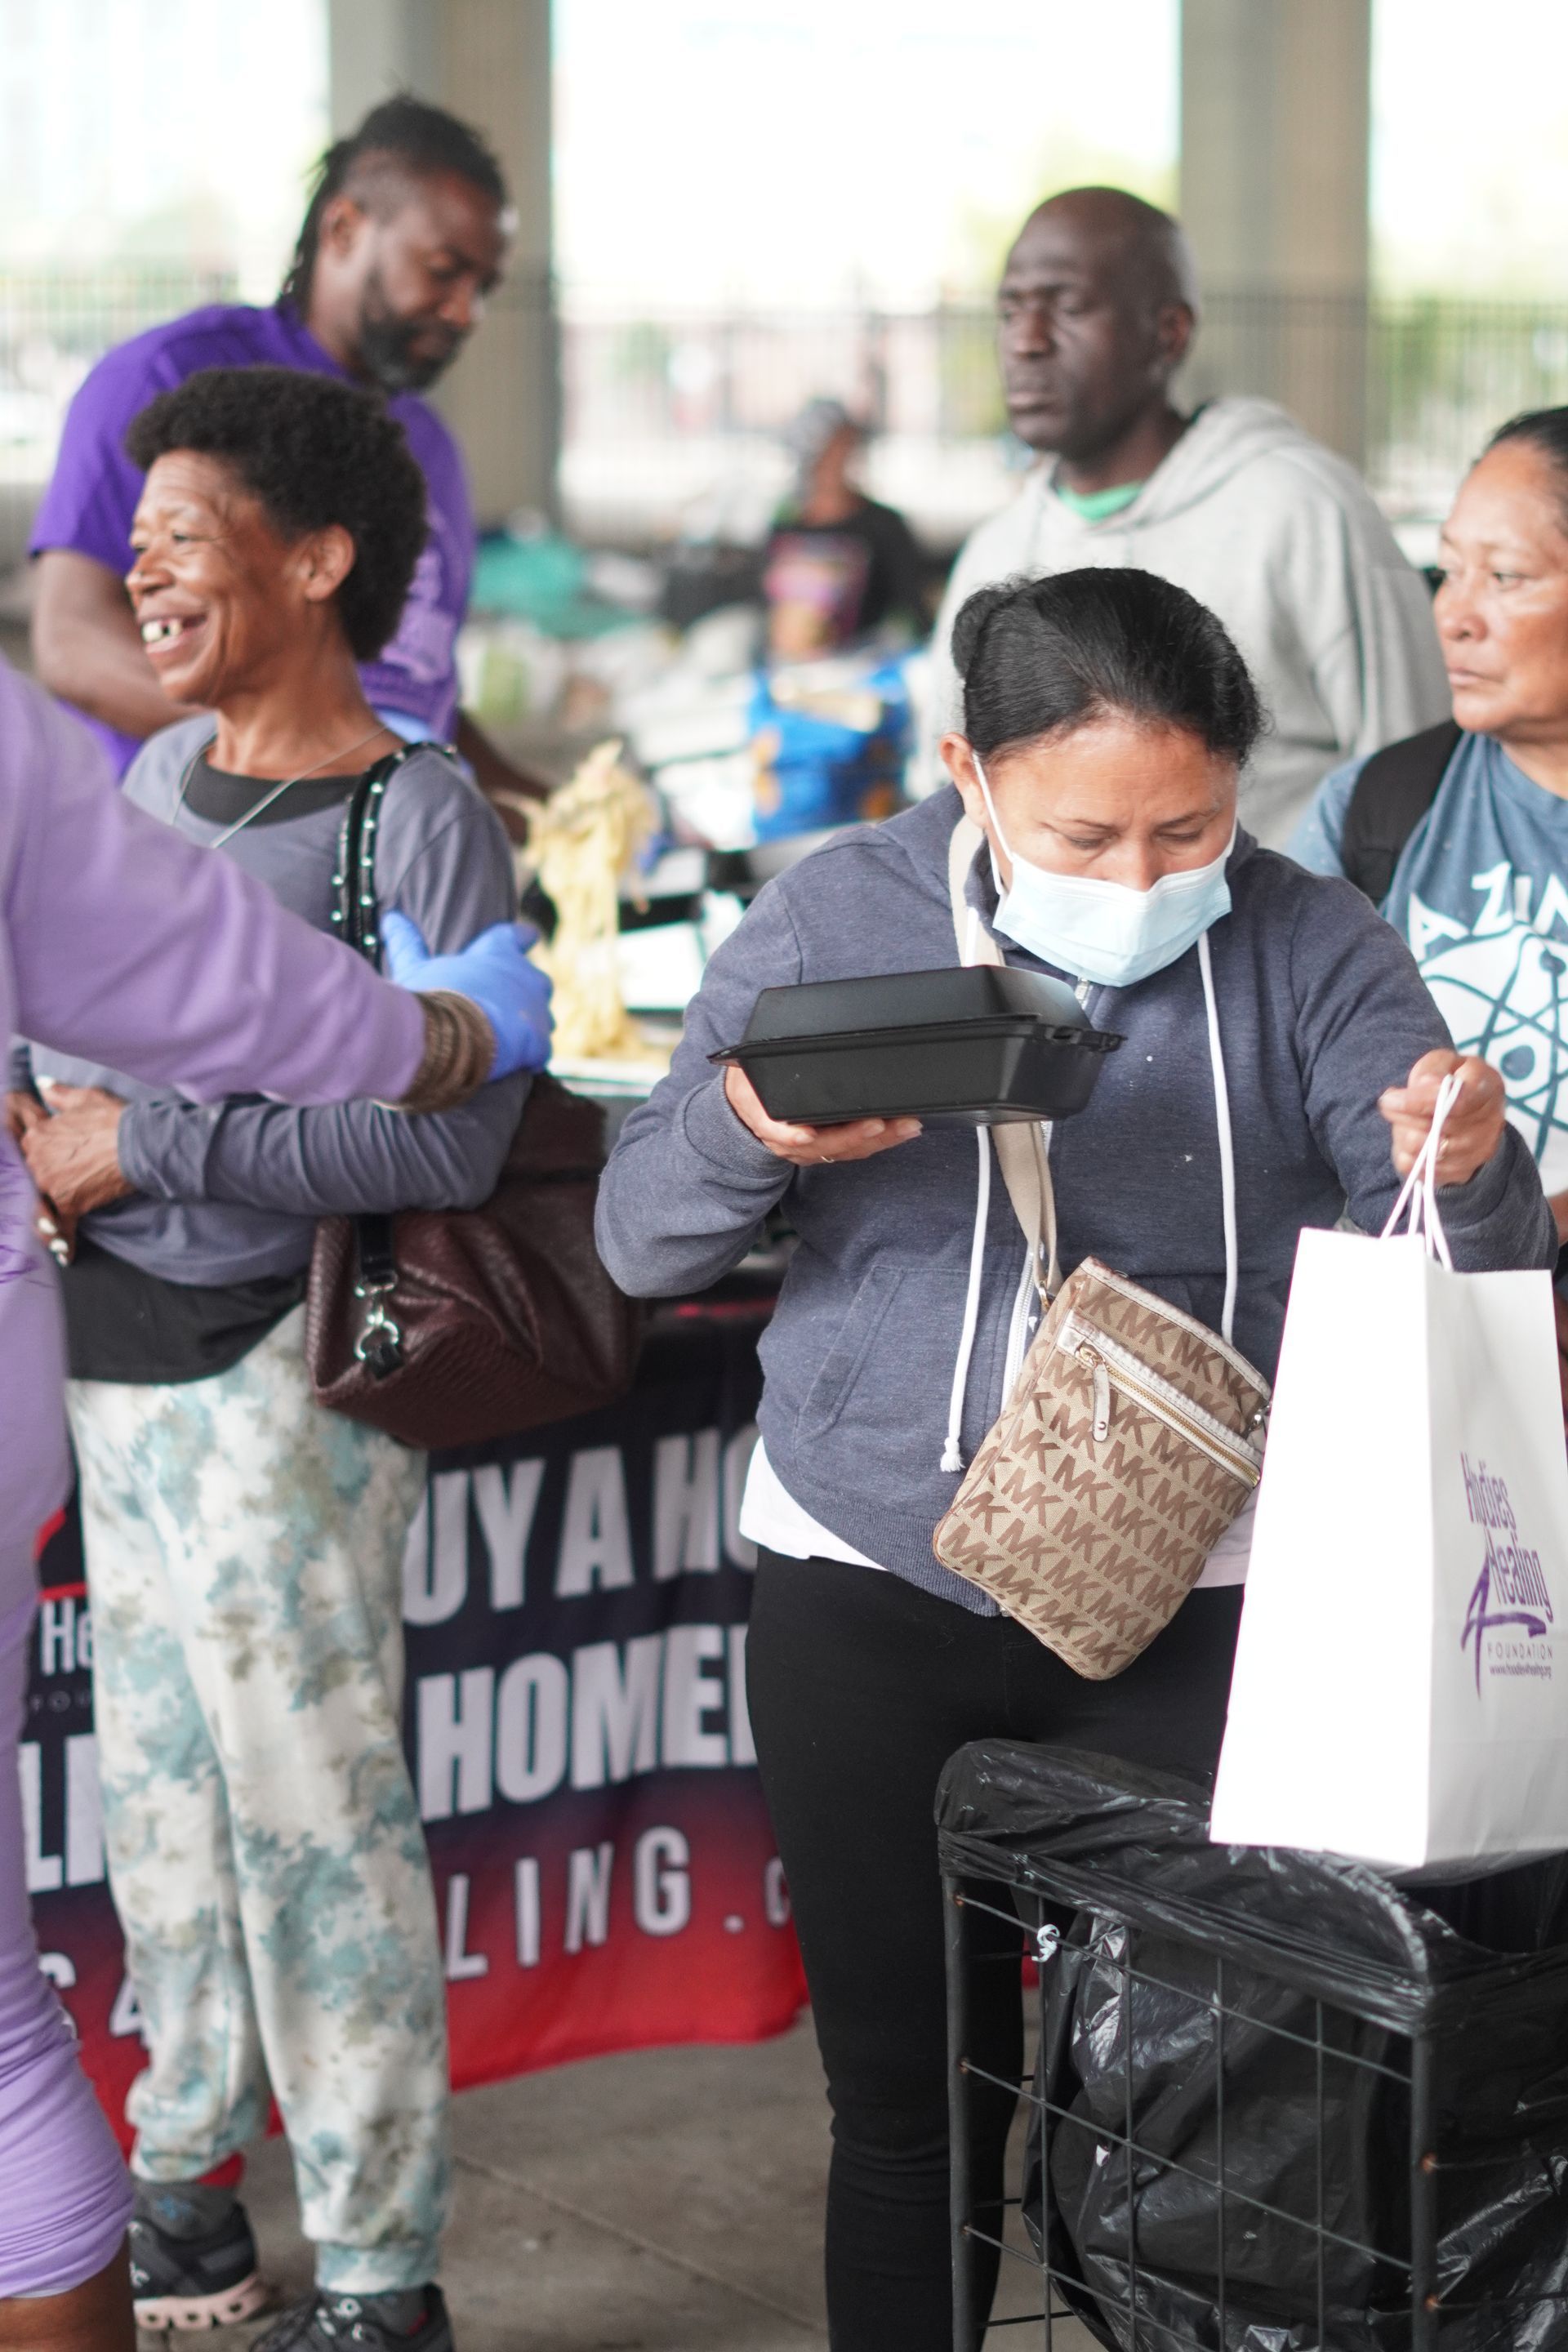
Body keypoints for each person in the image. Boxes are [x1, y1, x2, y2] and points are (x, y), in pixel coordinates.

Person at [595, 566, 1552, 2352]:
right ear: (969, 773)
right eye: (1083, 832)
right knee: (906, 2112)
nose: (1136, 880)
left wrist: (1472, 1160)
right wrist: (751, 1122)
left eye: (1184, 828)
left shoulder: (1310, 941)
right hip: (870, 1581)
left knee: (1224, 2124)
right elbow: (640, 1243)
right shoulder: (836, 918)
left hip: (1205, 1602)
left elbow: (1469, 1275)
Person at [10, 367, 537, 2352]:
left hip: (279, 1379)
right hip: (110, 1365)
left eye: (180, 530)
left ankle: (385, 2268)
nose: (132, 565)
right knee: (155, 1806)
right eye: (129, 532)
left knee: (313, 1823)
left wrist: (156, 1142)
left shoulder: (415, 819)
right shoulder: (141, 788)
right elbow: (58, 1044)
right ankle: (185, 2191)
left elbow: (445, 1130)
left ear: (315, 560)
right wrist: (46, 1137)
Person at [29, 93, 547, 817]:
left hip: (383, 878)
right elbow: (72, 641)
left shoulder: (428, 447)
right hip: (202, 866)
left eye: (483, 288)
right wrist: (303, 770)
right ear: (343, 229)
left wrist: (553, 809)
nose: (466, 313)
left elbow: (412, 696)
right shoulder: (165, 382)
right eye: (442, 271)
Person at [920, 186, 1451, 846]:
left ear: (1169, 332)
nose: (1026, 341)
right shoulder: (996, 553)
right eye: (1010, 310)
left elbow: (1420, 773)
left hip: (1282, 947)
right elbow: (953, 800)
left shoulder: (1301, 510)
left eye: (1070, 306)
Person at [1290, 406, 1568, 1405]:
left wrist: (1527, 1210)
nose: (1454, 613)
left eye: (1508, 576)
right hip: (1413, 1359)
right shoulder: (1377, 807)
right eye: (1450, 568)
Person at [760, 398, 927, 659]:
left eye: (848, 445)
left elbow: (913, 609)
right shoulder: (784, 526)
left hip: (860, 670)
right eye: (832, 449)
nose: (843, 456)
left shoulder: (883, 525)